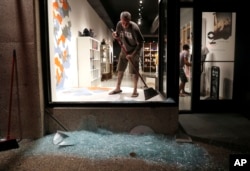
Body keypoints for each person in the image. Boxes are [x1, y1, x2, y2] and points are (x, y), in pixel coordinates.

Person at [109, 11, 144, 97]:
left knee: (134, 71)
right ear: (120, 20)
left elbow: (141, 43)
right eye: (123, 22)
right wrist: (114, 35)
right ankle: (118, 88)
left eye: (126, 22)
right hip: (124, 50)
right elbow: (117, 34)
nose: (124, 25)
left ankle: (135, 90)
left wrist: (132, 55)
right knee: (120, 69)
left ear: (129, 20)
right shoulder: (119, 24)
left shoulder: (134, 28)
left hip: (134, 50)